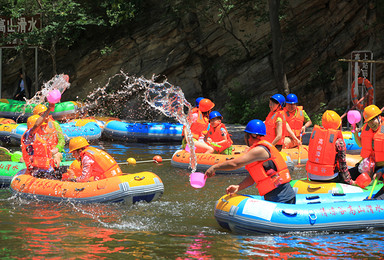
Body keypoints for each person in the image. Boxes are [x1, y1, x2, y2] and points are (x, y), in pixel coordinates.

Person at [205, 119, 296, 204]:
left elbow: (235, 164)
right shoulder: (259, 149)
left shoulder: (259, 150)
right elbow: (254, 176)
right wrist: (239, 187)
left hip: (282, 198)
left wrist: (214, 167)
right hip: (277, 197)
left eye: (246, 135)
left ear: (250, 136)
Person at [306, 110, 356, 185]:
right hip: (329, 177)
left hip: (311, 176)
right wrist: (350, 181)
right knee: (355, 172)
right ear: (338, 125)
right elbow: (342, 165)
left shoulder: (315, 135)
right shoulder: (339, 141)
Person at [351, 105, 384, 199]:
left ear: (379, 117)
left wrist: (381, 170)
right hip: (369, 165)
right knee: (349, 174)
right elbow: (361, 144)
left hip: (381, 167)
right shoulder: (366, 129)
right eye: (369, 121)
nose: (371, 124)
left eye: (373, 120)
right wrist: (356, 134)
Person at [21, 102, 59, 179]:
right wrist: (49, 109)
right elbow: (36, 125)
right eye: (41, 126)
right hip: (37, 171)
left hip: (46, 168)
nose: (42, 128)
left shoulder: (38, 137)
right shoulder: (29, 136)